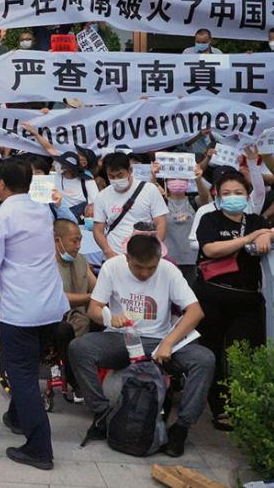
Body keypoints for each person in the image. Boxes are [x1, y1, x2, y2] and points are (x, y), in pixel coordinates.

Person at [69, 234, 214, 458]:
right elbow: (94, 309)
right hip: (122, 338)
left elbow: (196, 312)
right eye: (138, 268)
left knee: (204, 359)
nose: (145, 273)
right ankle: (102, 414)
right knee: (79, 348)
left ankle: (181, 428)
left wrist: (168, 342)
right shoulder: (112, 267)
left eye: (151, 268)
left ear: (159, 259)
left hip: (160, 341)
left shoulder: (168, 270)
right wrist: (109, 318)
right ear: (127, 258)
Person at [0, 158, 70, 470]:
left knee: (22, 376)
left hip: (21, 310)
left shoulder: (1, 218)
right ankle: (16, 416)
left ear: (0, 184)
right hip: (51, 307)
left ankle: (39, 448)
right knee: (27, 367)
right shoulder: (40, 209)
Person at [194, 169, 272, 431]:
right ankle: (220, 408)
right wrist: (250, 238)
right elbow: (211, 249)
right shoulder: (210, 219)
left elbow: (270, 235)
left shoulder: (256, 220)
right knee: (212, 352)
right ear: (217, 194)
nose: (233, 197)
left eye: (238, 193)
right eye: (226, 193)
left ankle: (245, 405)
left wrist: (266, 234)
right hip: (212, 296)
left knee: (244, 354)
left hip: (247, 299)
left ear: (247, 195)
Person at [52, 218, 99, 400]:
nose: (79, 245)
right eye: (74, 240)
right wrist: (91, 298)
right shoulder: (45, 263)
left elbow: (97, 288)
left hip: (81, 316)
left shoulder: (80, 260)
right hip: (57, 318)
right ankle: (77, 380)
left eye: (80, 240)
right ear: (58, 240)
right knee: (67, 330)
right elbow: (59, 298)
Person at [92, 152, 167, 259]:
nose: (116, 180)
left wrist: (155, 249)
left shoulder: (150, 190)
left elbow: (161, 222)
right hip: (115, 254)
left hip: (145, 254)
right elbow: (98, 230)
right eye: (111, 176)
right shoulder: (101, 196)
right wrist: (108, 251)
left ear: (130, 171)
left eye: (120, 175)